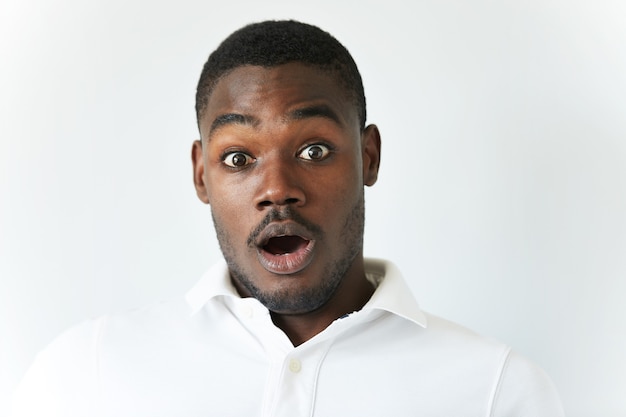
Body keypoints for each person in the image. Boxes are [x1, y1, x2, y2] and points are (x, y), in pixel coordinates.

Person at [12, 20, 564, 416]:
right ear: (202, 175)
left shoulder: (499, 390)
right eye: (238, 159)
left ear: (367, 157)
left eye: (314, 151)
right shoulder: (88, 370)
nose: (277, 190)